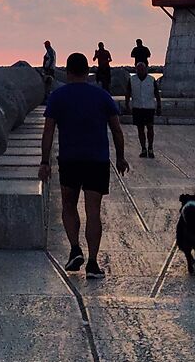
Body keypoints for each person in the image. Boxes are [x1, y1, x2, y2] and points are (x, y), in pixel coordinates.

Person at [41, 51, 129, 277]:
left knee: (69, 207)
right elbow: (117, 131)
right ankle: (92, 263)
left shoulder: (57, 97)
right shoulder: (101, 96)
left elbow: (48, 131)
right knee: (93, 212)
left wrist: (44, 162)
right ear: (87, 72)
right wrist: (120, 157)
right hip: (97, 161)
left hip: (70, 160)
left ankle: (74, 249)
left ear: (68, 71)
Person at [124, 54, 159, 157]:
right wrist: (127, 105)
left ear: (146, 69)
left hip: (149, 107)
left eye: (142, 69)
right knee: (140, 129)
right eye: (138, 69)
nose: (140, 71)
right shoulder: (132, 79)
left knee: (150, 128)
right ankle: (143, 149)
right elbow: (128, 92)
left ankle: (151, 148)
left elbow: (157, 93)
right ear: (136, 70)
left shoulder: (151, 79)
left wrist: (159, 106)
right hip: (137, 107)